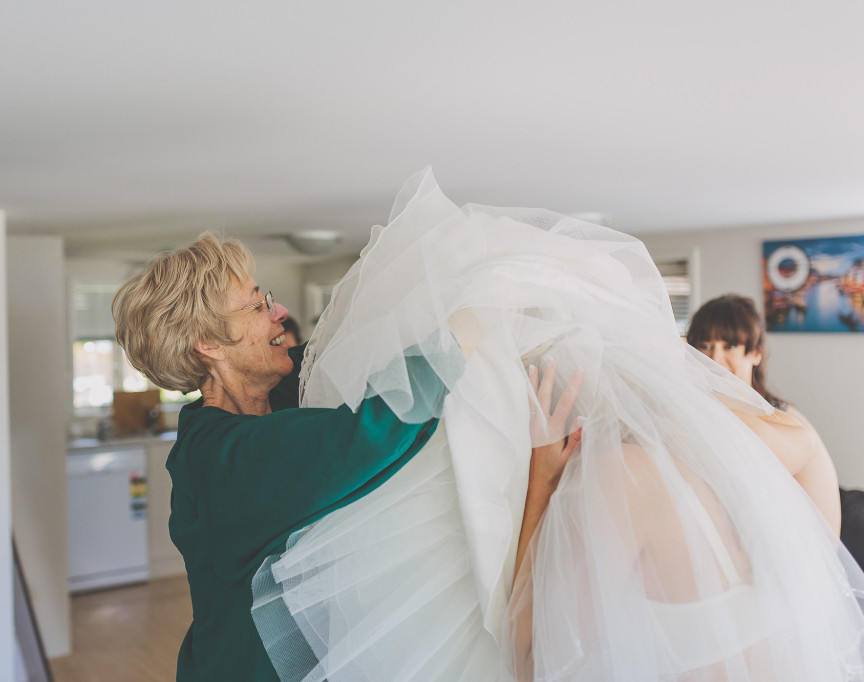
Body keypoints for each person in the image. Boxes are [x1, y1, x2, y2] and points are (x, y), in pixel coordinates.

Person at [250, 168, 864, 681]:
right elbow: (829, 578)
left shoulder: (619, 481)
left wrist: (543, 475)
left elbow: (532, 661)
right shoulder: (786, 450)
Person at [112, 233, 460, 682]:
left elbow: (341, 352)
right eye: (256, 306)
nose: (279, 313)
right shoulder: (223, 458)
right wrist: (463, 337)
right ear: (209, 344)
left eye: (266, 298)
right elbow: (371, 432)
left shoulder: (275, 391)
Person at [687, 294, 860, 556]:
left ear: (755, 354)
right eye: (705, 345)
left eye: (729, 346)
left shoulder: (783, 420)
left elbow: (826, 534)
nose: (715, 358)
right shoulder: (698, 412)